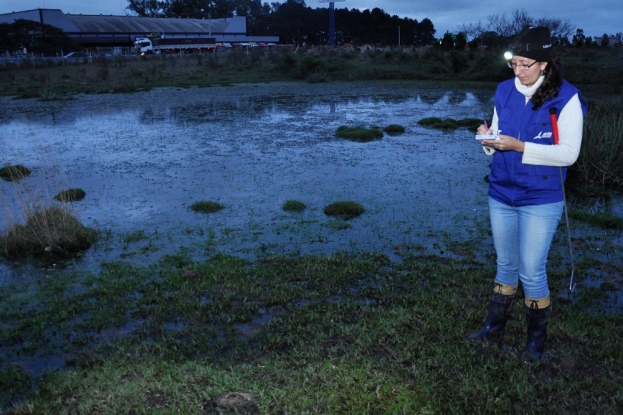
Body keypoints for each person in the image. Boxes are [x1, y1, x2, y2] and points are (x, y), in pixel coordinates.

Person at [467, 26, 588, 361]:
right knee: (505, 264)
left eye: (526, 64)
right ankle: (494, 326)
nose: (518, 71)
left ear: (545, 64)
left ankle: (536, 340)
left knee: (531, 269)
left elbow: (569, 154)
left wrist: (518, 146)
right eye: (514, 64)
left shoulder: (567, 98)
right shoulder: (504, 90)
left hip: (541, 196)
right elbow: (497, 134)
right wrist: (488, 140)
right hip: (502, 192)